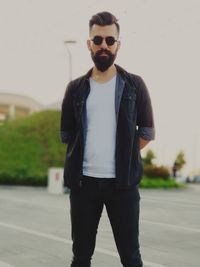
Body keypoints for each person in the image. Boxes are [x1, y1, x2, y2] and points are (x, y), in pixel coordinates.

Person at [60, 11, 155, 267]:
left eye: (110, 41)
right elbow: (68, 134)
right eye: (98, 40)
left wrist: (125, 154)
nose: (104, 45)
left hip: (122, 186)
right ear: (89, 43)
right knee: (80, 257)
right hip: (84, 184)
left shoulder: (135, 85)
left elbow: (146, 131)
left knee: (131, 258)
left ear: (118, 44)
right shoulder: (75, 88)